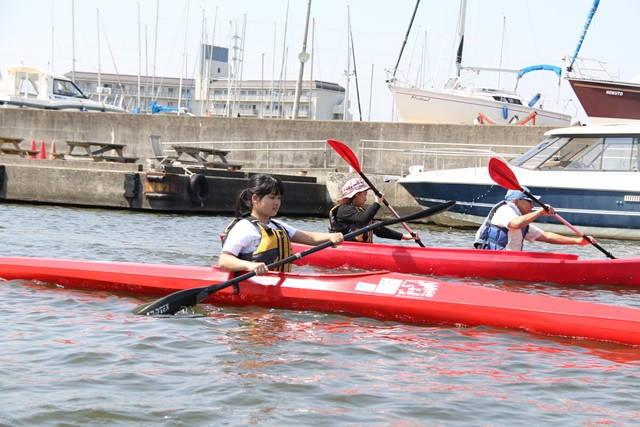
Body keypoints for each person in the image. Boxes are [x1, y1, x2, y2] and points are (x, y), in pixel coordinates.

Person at [219, 174, 344, 275]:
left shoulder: (277, 225)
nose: (277, 203)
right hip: (254, 283)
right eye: (272, 198)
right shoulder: (244, 228)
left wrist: (331, 237)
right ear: (255, 199)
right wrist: (250, 265)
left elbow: (309, 237)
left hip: (280, 279)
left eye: (279, 198)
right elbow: (224, 260)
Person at [474, 186, 594, 251]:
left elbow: (546, 236)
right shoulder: (505, 209)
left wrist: (577, 241)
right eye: (529, 202)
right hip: (493, 259)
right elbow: (515, 224)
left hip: (508, 261)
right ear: (516, 201)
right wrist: (540, 212)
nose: (532, 206)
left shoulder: (521, 220)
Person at [328, 177, 418, 243]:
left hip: (361, 249)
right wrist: (377, 203)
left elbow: (378, 229)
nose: (366, 199)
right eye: (365, 194)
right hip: (347, 248)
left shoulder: (357, 211)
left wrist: (405, 237)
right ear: (356, 194)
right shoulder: (343, 210)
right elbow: (364, 219)